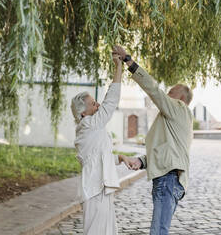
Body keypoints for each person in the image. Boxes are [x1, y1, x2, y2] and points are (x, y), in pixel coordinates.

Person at [113, 45, 194, 235]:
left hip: (168, 180)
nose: (167, 95)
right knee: (158, 231)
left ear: (181, 98)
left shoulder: (178, 108)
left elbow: (154, 90)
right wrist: (140, 161)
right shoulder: (173, 120)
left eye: (171, 92)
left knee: (158, 232)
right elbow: (165, 152)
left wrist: (128, 61)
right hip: (169, 180)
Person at [71, 52, 131, 235]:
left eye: (96, 103)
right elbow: (110, 102)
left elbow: (98, 157)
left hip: (100, 187)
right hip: (95, 189)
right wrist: (118, 67)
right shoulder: (89, 124)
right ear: (83, 113)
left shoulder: (90, 127)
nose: (98, 107)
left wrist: (119, 157)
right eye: (94, 104)